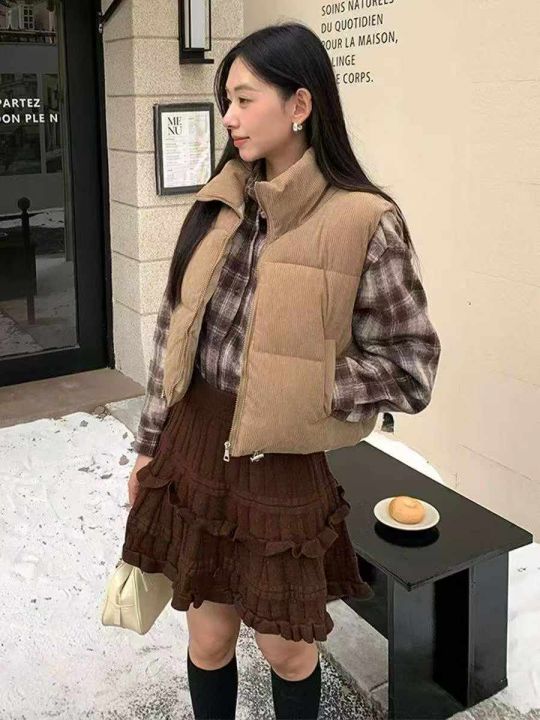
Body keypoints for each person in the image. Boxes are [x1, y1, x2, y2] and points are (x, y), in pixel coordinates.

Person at [122, 21, 441, 720]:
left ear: (299, 105)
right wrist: (148, 444)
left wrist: (304, 388)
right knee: (208, 639)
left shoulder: (364, 221)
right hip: (194, 443)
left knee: (288, 651)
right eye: (225, 102)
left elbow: (411, 366)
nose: (228, 118)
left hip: (281, 465)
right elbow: (173, 333)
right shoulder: (218, 202)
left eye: (244, 99)